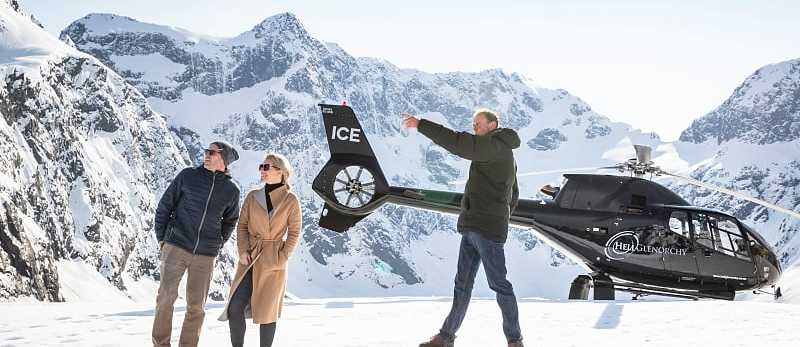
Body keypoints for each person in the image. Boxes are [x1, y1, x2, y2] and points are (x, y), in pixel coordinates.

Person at [402, 109, 524, 347]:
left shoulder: (494, 145)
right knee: (462, 285)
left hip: (487, 230)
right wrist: (500, 214)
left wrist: (421, 124)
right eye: (473, 124)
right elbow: (514, 194)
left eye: (478, 124)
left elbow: (458, 142)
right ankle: (445, 338)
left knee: (500, 285)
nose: (474, 127)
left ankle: (515, 340)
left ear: (492, 125)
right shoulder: (497, 149)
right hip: (472, 226)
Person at [152, 141, 241, 347]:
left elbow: (230, 221)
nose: (206, 155)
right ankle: (160, 344)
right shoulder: (187, 176)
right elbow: (165, 206)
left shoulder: (231, 190)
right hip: (176, 246)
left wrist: (218, 244)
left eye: (212, 152)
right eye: (206, 151)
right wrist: (163, 240)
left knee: (196, 307)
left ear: (223, 159)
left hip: (205, 255)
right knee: (165, 298)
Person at [218, 153, 302, 347]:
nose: (262, 171)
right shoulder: (252, 196)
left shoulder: (290, 200)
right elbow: (242, 226)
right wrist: (243, 251)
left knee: (267, 312)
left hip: (274, 259)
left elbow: (294, 232)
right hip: (251, 257)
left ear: (280, 172)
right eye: (261, 167)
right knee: (235, 307)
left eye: (266, 167)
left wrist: (282, 257)